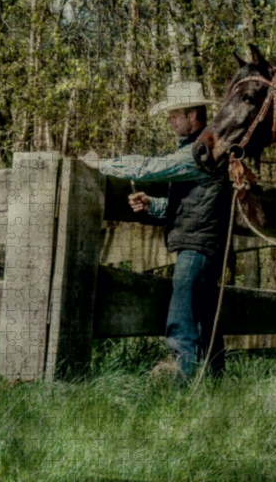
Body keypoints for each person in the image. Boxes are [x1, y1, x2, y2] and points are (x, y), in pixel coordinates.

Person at [97, 82, 230, 383]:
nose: (169, 121)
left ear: (193, 114)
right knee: (204, 317)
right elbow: (190, 201)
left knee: (181, 318)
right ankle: (215, 386)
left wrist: (101, 164)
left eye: (175, 115)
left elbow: (148, 168)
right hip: (204, 244)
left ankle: (180, 382)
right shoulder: (204, 147)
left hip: (197, 246)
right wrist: (153, 205)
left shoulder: (200, 150)